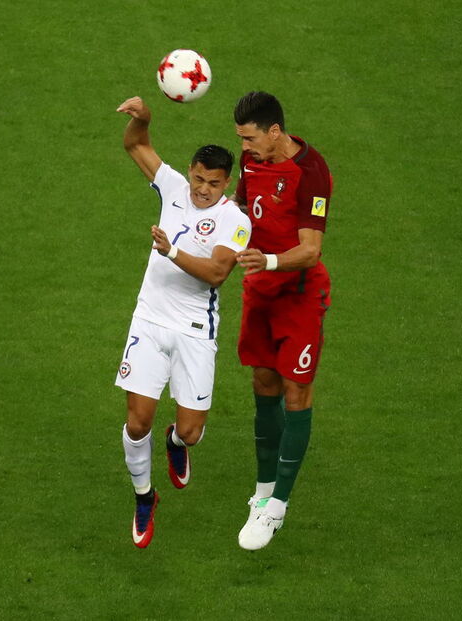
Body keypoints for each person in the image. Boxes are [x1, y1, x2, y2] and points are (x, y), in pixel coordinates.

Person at [114, 96, 252, 548]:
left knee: (191, 431)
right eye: (197, 179)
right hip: (150, 320)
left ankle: (175, 443)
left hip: (195, 331)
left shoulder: (236, 220)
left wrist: (170, 250)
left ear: (226, 183)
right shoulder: (173, 187)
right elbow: (136, 146)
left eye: (212, 183)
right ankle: (144, 496)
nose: (201, 190)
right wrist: (145, 120)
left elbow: (216, 273)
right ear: (189, 171)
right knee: (137, 423)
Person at [230, 91, 333, 551]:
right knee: (264, 385)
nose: (245, 148)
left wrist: (267, 263)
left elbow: (311, 250)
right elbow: (239, 210)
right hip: (260, 291)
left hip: (298, 295)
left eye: (251, 139)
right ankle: (263, 491)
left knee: (296, 391)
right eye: (241, 139)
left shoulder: (311, 172)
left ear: (275, 131)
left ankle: (278, 507)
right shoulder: (251, 160)